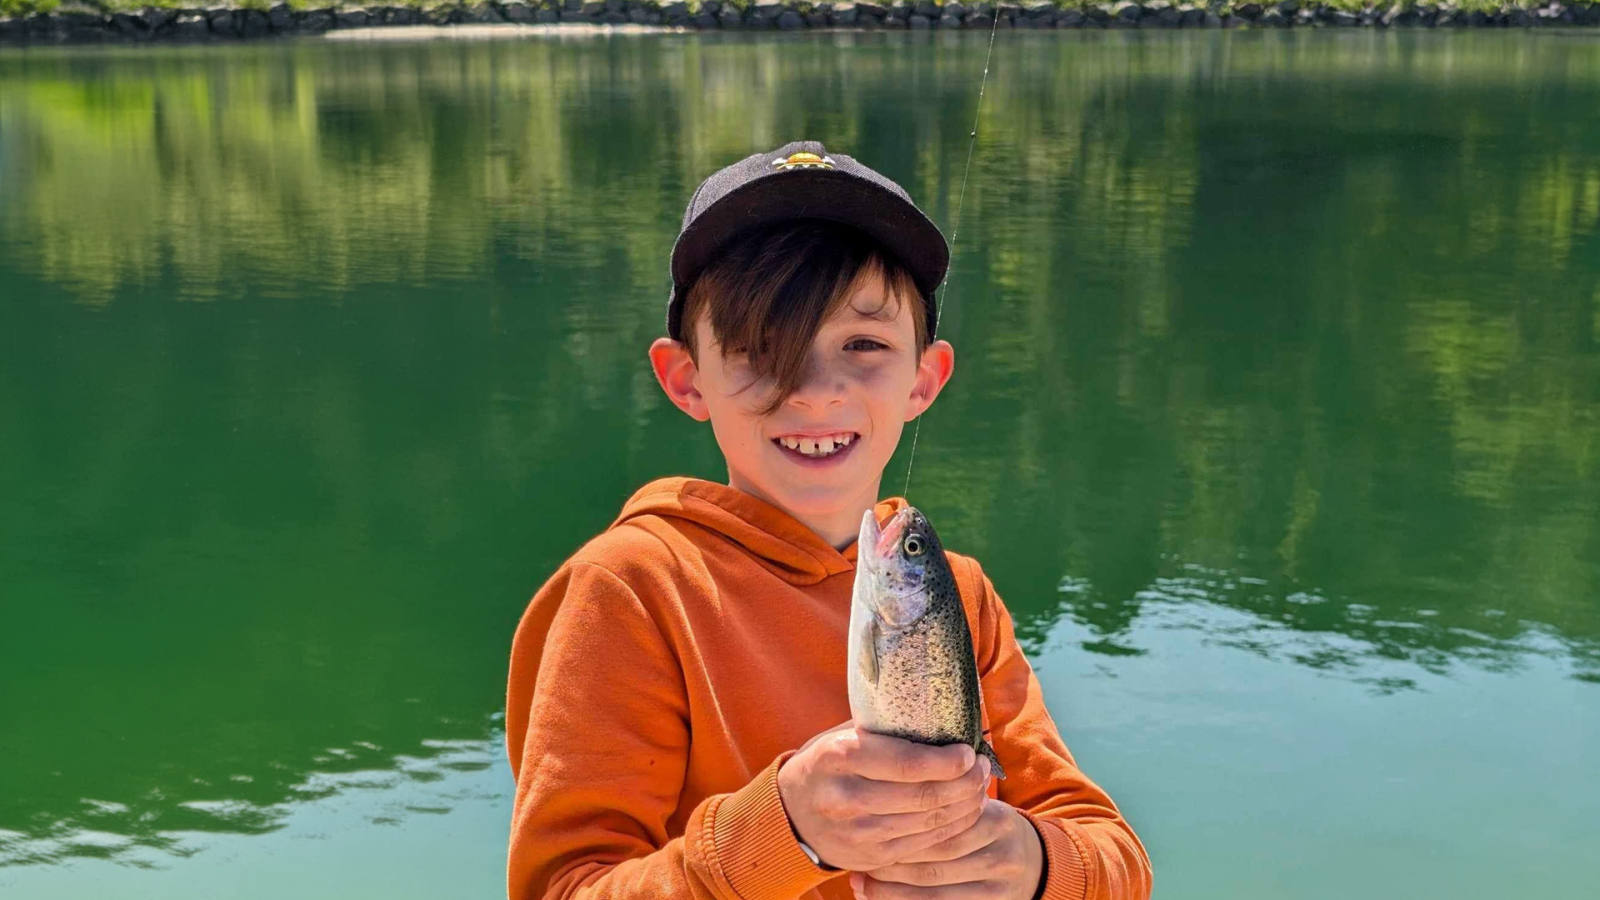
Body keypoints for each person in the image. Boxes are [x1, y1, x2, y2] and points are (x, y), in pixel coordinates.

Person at [505, 141, 1152, 900]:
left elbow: (1111, 855)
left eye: (864, 344)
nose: (814, 391)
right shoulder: (631, 588)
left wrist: (1032, 863)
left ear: (926, 377)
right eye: (760, 348)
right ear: (686, 379)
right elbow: (564, 886)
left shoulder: (959, 593)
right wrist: (787, 833)